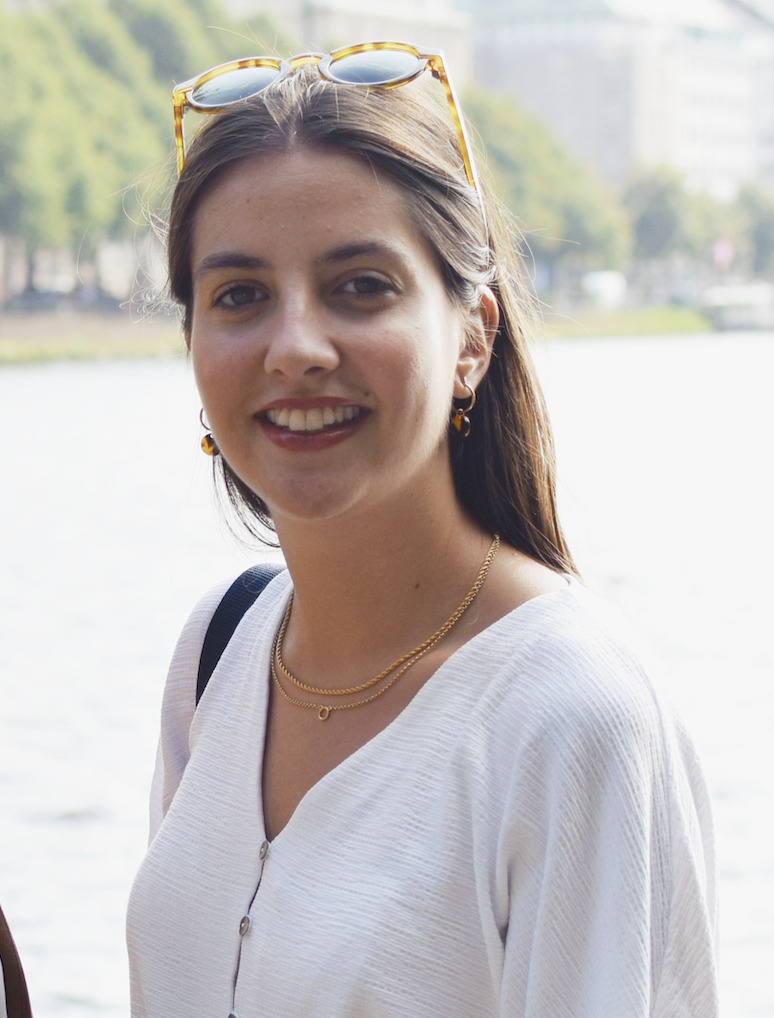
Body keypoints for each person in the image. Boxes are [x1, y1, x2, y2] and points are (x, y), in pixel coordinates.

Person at [127, 43, 718, 1017]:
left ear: (473, 335)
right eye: (240, 295)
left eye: (361, 285)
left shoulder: (576, 716)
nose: (295, 347)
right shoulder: (218, 648)